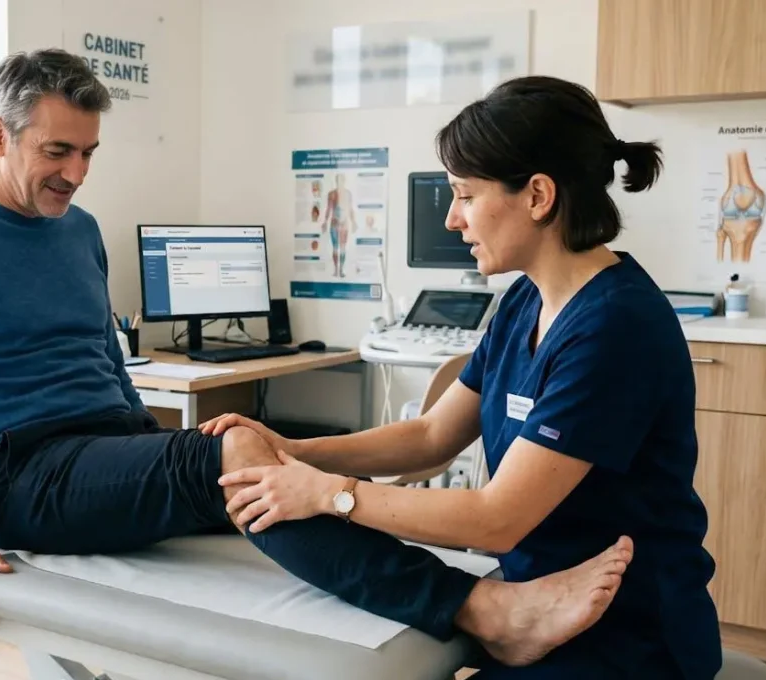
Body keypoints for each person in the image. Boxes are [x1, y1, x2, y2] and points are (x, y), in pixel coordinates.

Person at [0, 49, 633, 671]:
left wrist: (164, 453)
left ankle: (435, 588)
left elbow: (103, 363)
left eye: (89, 152)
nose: (77, 172)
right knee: (240, 459)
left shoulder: (77, 228)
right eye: (57, 151)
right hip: (15, 475)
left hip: (103, 443)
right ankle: (479, 610)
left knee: (247, 459)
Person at [202, 75, 722, 679]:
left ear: (537, 196)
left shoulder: (614, 326)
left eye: (464, 195)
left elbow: (497, 517)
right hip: (537, 601)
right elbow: (429, 436)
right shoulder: (527, 300)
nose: (453, 219)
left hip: (625, 636)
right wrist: (294, 451)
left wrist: (330, 493)